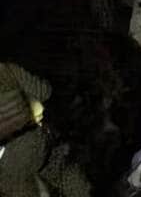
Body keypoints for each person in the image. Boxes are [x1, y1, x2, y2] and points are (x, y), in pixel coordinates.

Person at [0, 63, 90, 197]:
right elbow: (43, 91)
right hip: (37, 138)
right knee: (59, 170)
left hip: (19, 148)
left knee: (11, 180)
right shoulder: (6, 70)